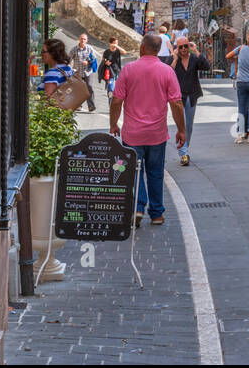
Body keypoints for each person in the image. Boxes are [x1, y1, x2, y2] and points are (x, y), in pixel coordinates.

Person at [110, 33, 185, 226]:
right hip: (157, 133)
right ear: (158, 50)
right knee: (155, 172)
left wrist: (113, 123)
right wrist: (181, 129)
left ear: (142, 48)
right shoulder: (167, 71)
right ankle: (157, 214)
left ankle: (137, 207)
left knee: (134, 171)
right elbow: (176, 103)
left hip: (132, 133)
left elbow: (117, 100)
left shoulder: (128, 70)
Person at [171, 36, 212, 166]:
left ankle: (185, 148)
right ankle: (183, 153)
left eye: (186, 46)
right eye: (180, 47)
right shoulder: (174, 60)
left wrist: (197, 51)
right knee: (181, 124)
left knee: (189, 126)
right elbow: (168, 73)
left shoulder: (194, 58)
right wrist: (175, 58)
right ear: (177, 48)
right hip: (178, 97)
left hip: (192, 95)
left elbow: (206, 67)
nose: (183, 49)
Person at [71, 33, 99, 112]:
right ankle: (78, 105)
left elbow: (94, 59)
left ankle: (91, 106)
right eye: (81, 38)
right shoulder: (74, 49)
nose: (83, 40)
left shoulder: (90, 48)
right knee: (79, 89)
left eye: (84, 39)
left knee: (89, 87)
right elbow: (69, 58)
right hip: (78, 72)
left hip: (87, 72)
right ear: (79, 39)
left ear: (86, 40)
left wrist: (88, 62)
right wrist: (69, 67)